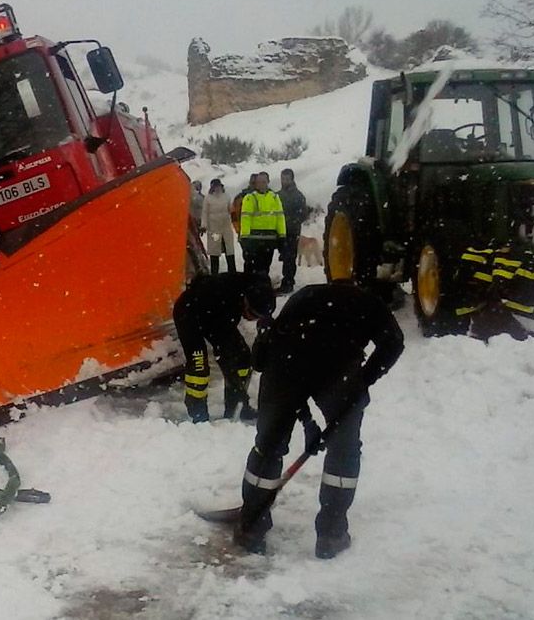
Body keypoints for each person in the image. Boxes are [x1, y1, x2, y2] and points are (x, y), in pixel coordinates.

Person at [233, 281, 404, 559]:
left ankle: (251, 527)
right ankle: (332, 535)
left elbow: (289, 361)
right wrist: (363, 381)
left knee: (269, 445)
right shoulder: (371, 303)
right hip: (336, 368)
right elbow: (394, 343)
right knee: (343, 452)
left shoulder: (305, 295)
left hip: (285, 364)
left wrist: (307, 418)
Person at [173, 272, 276, 423]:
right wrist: (235, 384)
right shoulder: (224, 299)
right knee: (199, 368)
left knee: (243, 359)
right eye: (251, 315)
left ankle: (237, 408)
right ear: (245, 302)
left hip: (215, 315)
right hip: (189, 314)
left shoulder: (259, 287)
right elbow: (223, 354)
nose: (251, 319)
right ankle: (198, 415)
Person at [239, 172, 286, 277]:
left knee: (265, 266)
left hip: (269, 239)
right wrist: (245, 237)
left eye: (263, 182)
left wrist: (282, 235)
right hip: (254, 239)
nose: (261, 184)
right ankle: (251, 287)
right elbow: (246, 218)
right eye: (259, 182)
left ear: (268, 182)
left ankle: (262, 287)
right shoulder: (249, 198)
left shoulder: (274, 197)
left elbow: (280, 217)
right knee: (252, 267)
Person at [276, 168, 307, 294]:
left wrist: (290, 222)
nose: (284, 181)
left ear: (292, 179)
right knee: (284, 256)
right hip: (279, 232)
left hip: (291, 232)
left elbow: (303, 214)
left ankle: (288, 283)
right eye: (283, 179)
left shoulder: (298, 196)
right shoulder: (277, 195)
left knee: (289, 258)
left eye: (287, 179)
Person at [201, 178, 236, 274]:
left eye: (218, 186)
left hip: (226, 228)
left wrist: (234, 215)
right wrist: (204, 225)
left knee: (229, 251)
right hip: (214, 229)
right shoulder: (208, 198)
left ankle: (232, 272)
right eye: (215, 186)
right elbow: (205, 212)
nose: (217, 188)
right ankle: (214, 273)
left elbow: (231, 210)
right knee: (214, 252)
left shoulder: (226, 196)